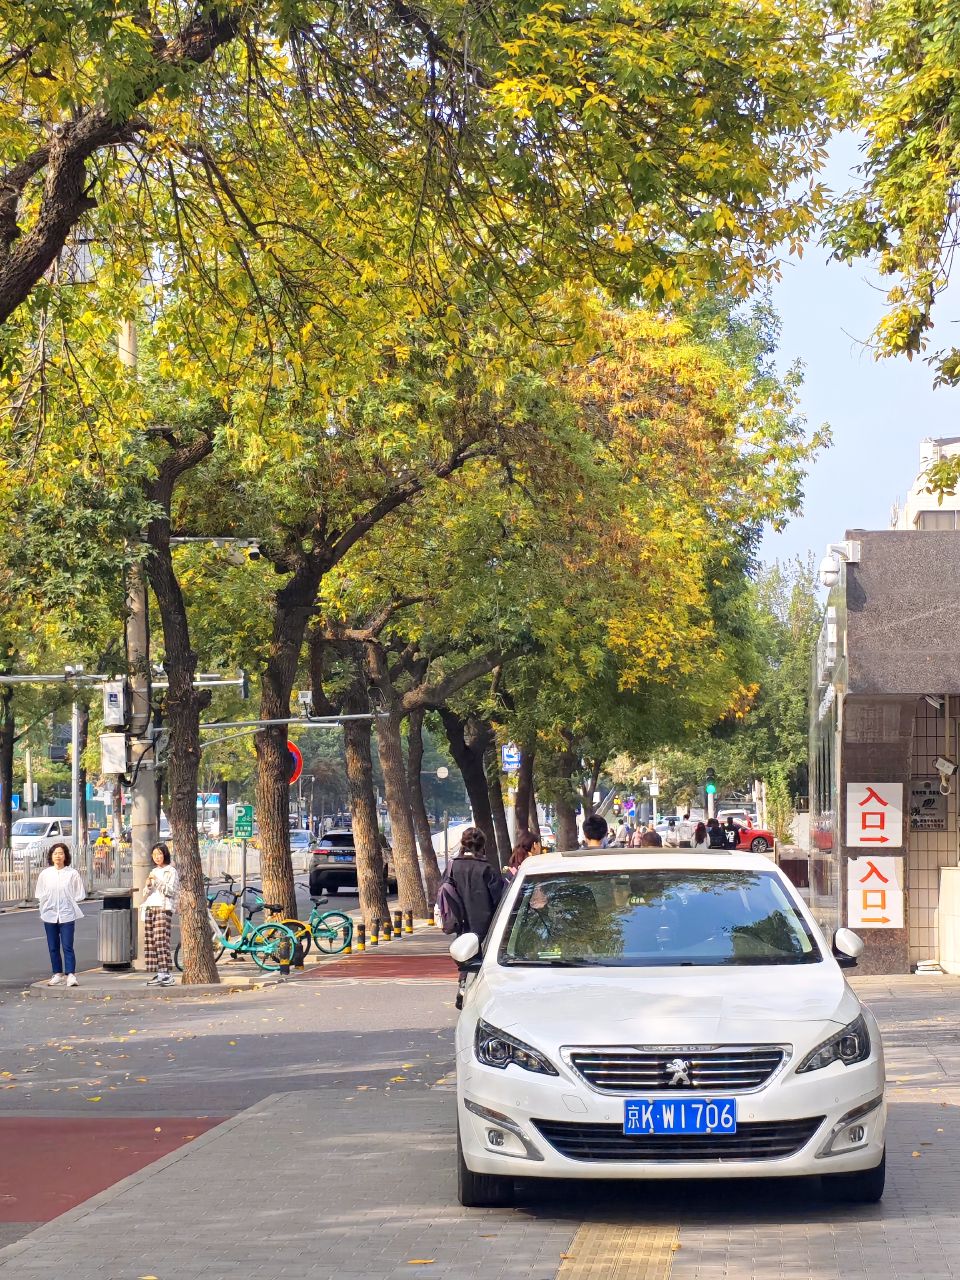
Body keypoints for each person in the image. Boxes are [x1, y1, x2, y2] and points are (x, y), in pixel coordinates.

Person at [35, 843, 85, 987]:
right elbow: (40, 893)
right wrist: (46, 905)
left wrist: (69, 902)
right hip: (49, 914)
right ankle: (57, 973)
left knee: (68, 945)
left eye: (61, 853)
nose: (58, 856)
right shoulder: (45, 874)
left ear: (66, 856)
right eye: (55, 853)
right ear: (51, 856)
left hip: (67, 914)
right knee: (53, 946)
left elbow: (79, 893)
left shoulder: (72, 873)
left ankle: (71, 974)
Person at [446, 826, 503, 940]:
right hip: (484, 926)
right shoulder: (486, 869)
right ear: (482, 845)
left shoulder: (452, 867)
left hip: (460, 922)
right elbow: (498, 898)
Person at [141, 843, 179, 987]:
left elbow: (171, 891)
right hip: (151, 907)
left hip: (164, 908)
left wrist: (157, 881)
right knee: (151, 941)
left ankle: (167, 974)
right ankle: (160, 973)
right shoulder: (153, 871)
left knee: (161, 939)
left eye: (160, 854)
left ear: (165, 854)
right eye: (154, 854)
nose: (157, 857)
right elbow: (147, 893)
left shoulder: (171, 871)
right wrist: (148, 885)